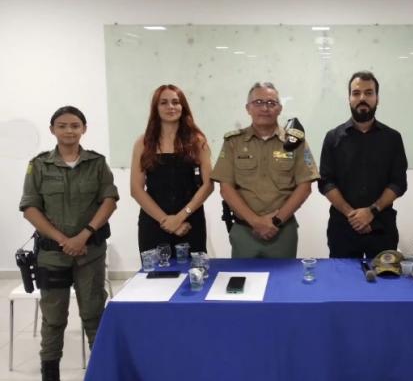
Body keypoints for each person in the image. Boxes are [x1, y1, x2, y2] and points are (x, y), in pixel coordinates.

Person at [19, 106, 119, 381]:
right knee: (53, 320)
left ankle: (101, 373)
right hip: (52, 255)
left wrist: (83, 235)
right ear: (53, 130)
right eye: (62, 125)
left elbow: (109, 201)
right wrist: (65, 240)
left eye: (75, 125)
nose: (69, 130)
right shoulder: (39, 165)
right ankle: (50, 375)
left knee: (94, 315)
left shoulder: (97, 163)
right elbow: (30, 208)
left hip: (90, 253)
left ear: (84, 129)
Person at [211, 82, 319, 258]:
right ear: (248, 108)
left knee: (282, 283)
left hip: (283, 231)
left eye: (271, 103)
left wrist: (275, 221)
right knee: (243, 283)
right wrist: (256, 222)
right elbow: (226, 188)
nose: (265, 108)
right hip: (244, 230)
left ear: (280, 109)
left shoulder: (295, 142)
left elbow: (305, 187)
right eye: (258, 102)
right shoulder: (233, 142)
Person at [318, 71, 408, 258]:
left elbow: (398, 183)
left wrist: (371, 211)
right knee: (344, 285)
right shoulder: (333, 138)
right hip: (342, 228)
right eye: (356, 93)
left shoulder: (392, 138)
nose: (362, 98)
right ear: (349, 98)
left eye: (369, 93)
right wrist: (354, 215)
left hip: (383, 228)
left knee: (384, 284)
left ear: (377, 98)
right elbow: (326, 182)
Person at [131, 84, 213, 255]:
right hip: (154, 221)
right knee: (156, 278)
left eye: (175, 102)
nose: (170, 107)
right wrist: (166, 220)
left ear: (183, 107)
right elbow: (136, 190)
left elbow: (208, 185)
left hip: (190, 221)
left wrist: (180, 217)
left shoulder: (197, 141)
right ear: (156, 108)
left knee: (194, 276)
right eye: (164, 103)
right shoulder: (143, 143)